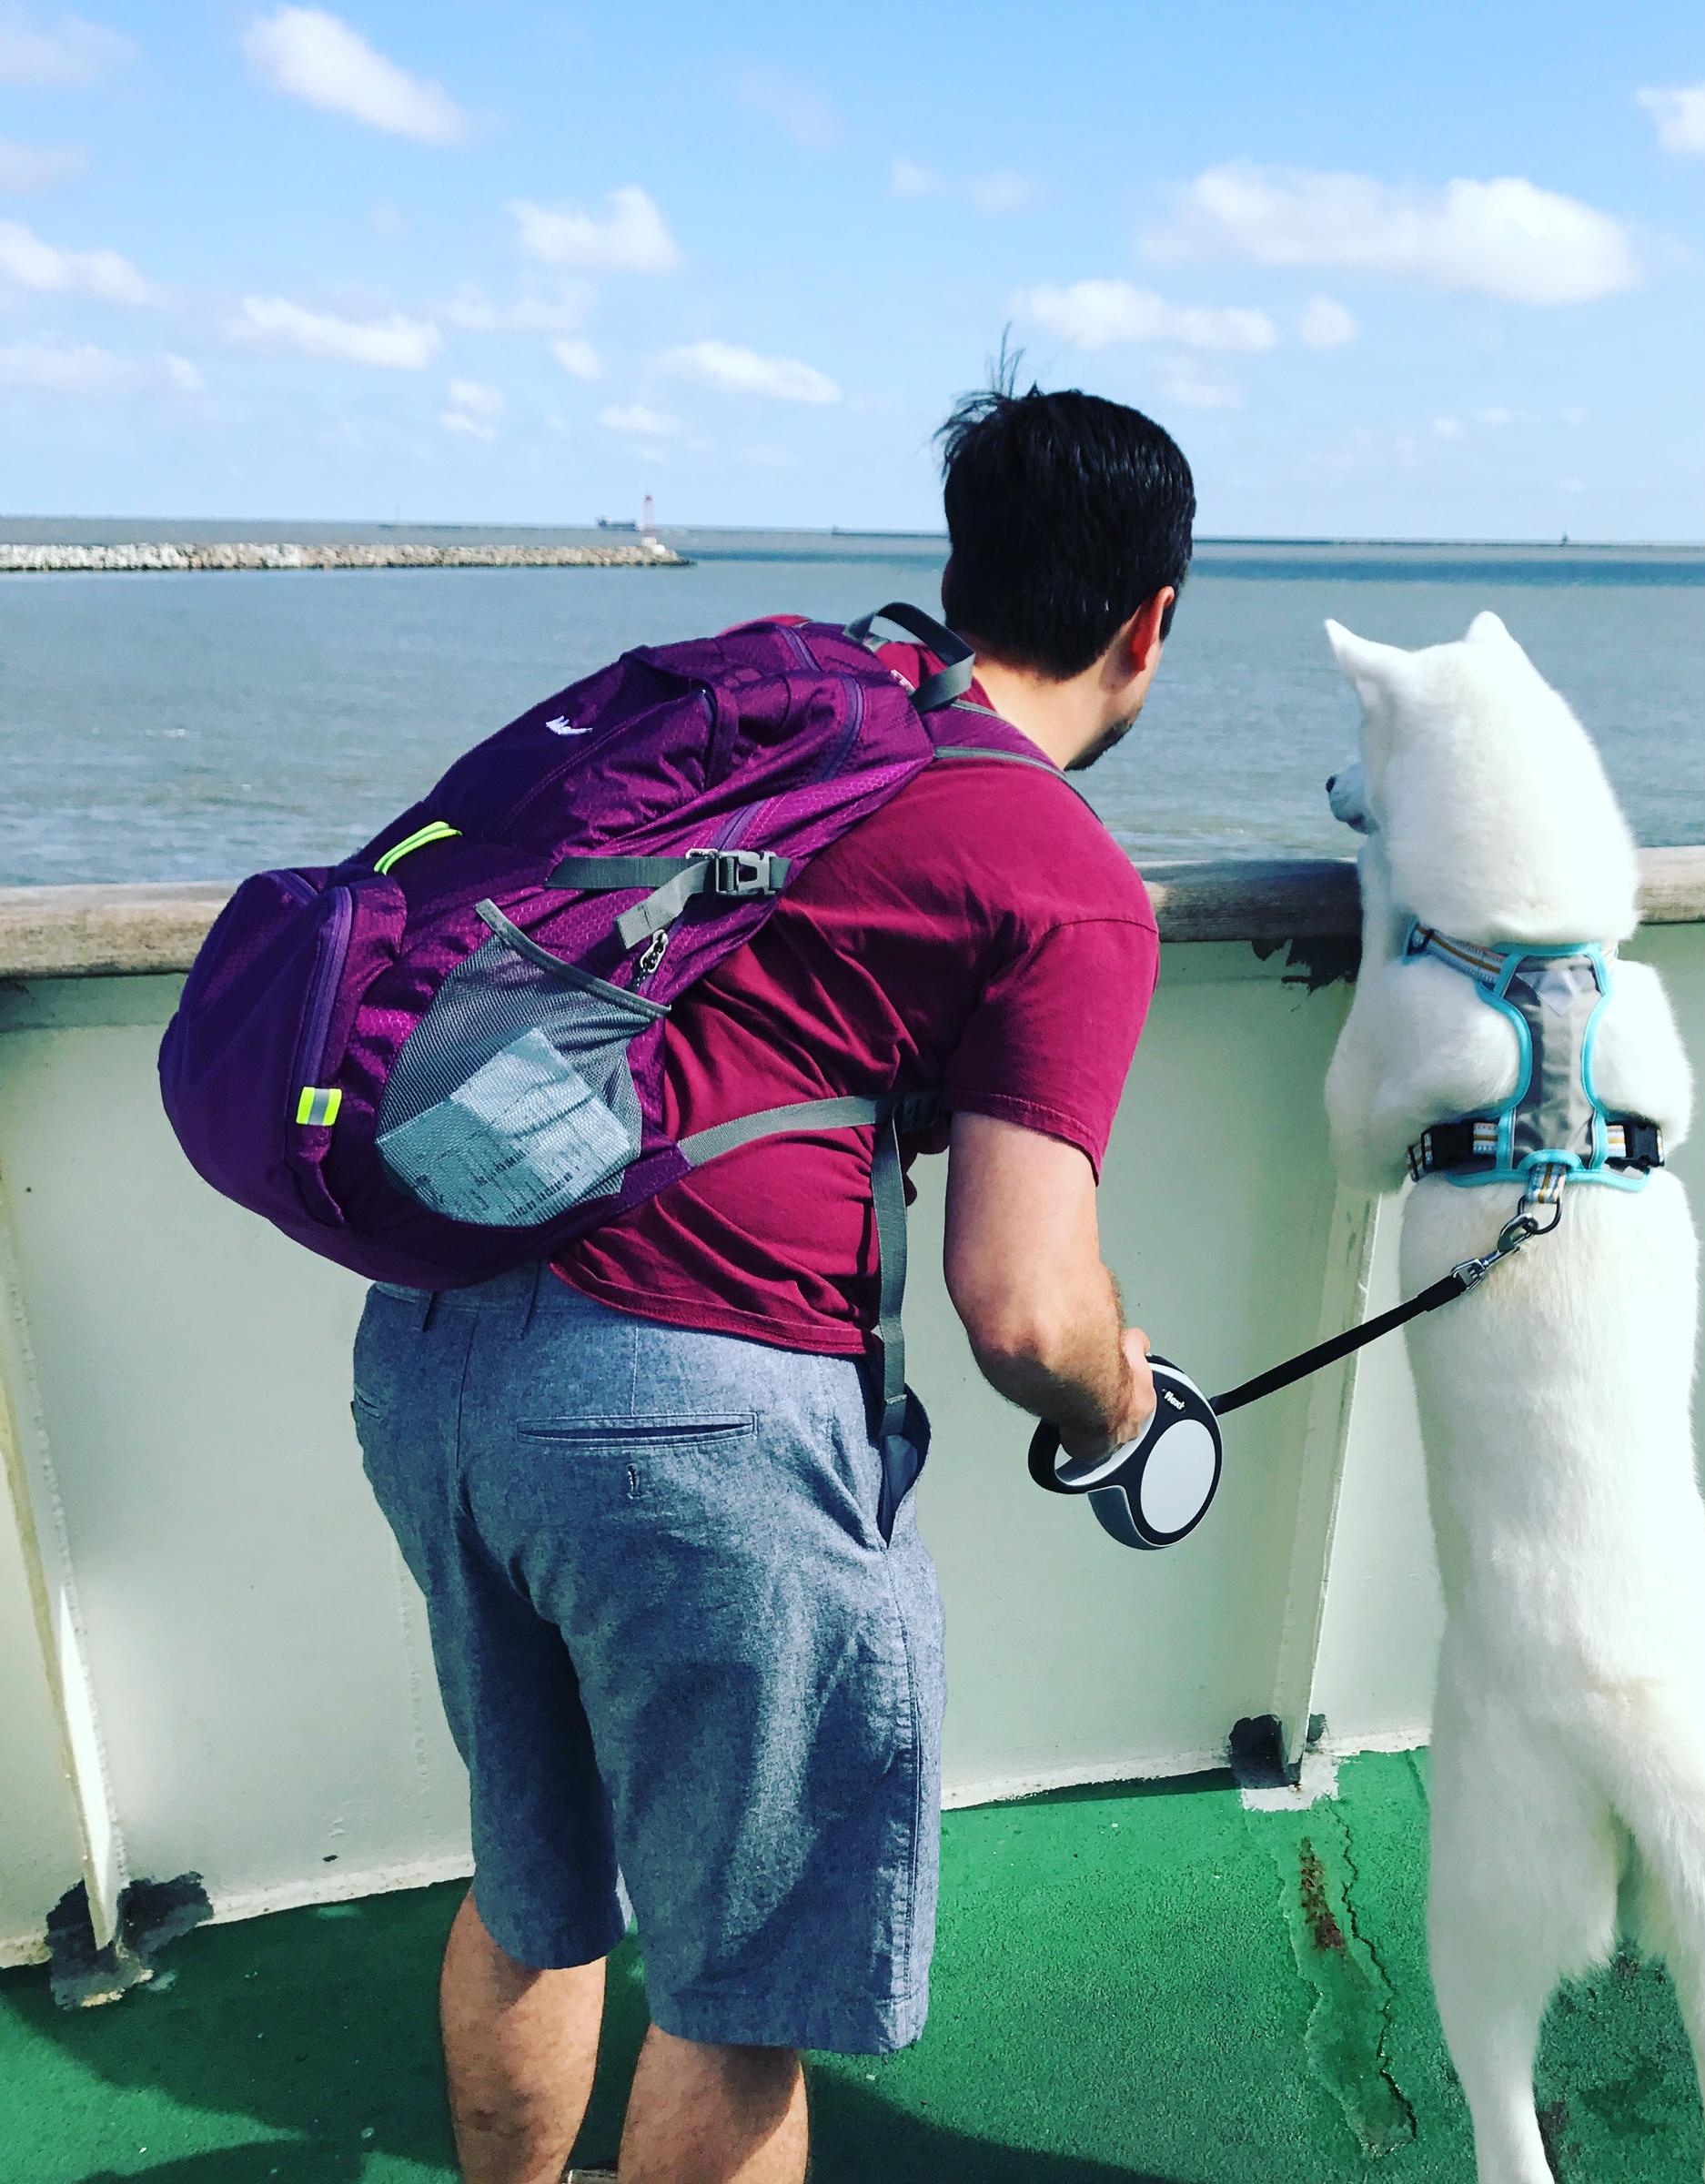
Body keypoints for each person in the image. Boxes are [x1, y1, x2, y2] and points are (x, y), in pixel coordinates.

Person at [349, 380, 1194, 2184]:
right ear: (1152, 622)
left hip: (433, 1348)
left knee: (534, 1883)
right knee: (739, 1994)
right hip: (689, 1423)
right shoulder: (1066, 876)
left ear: (962, 572)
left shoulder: (787, 713)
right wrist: (1127, 1408)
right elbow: (1025, 1309)